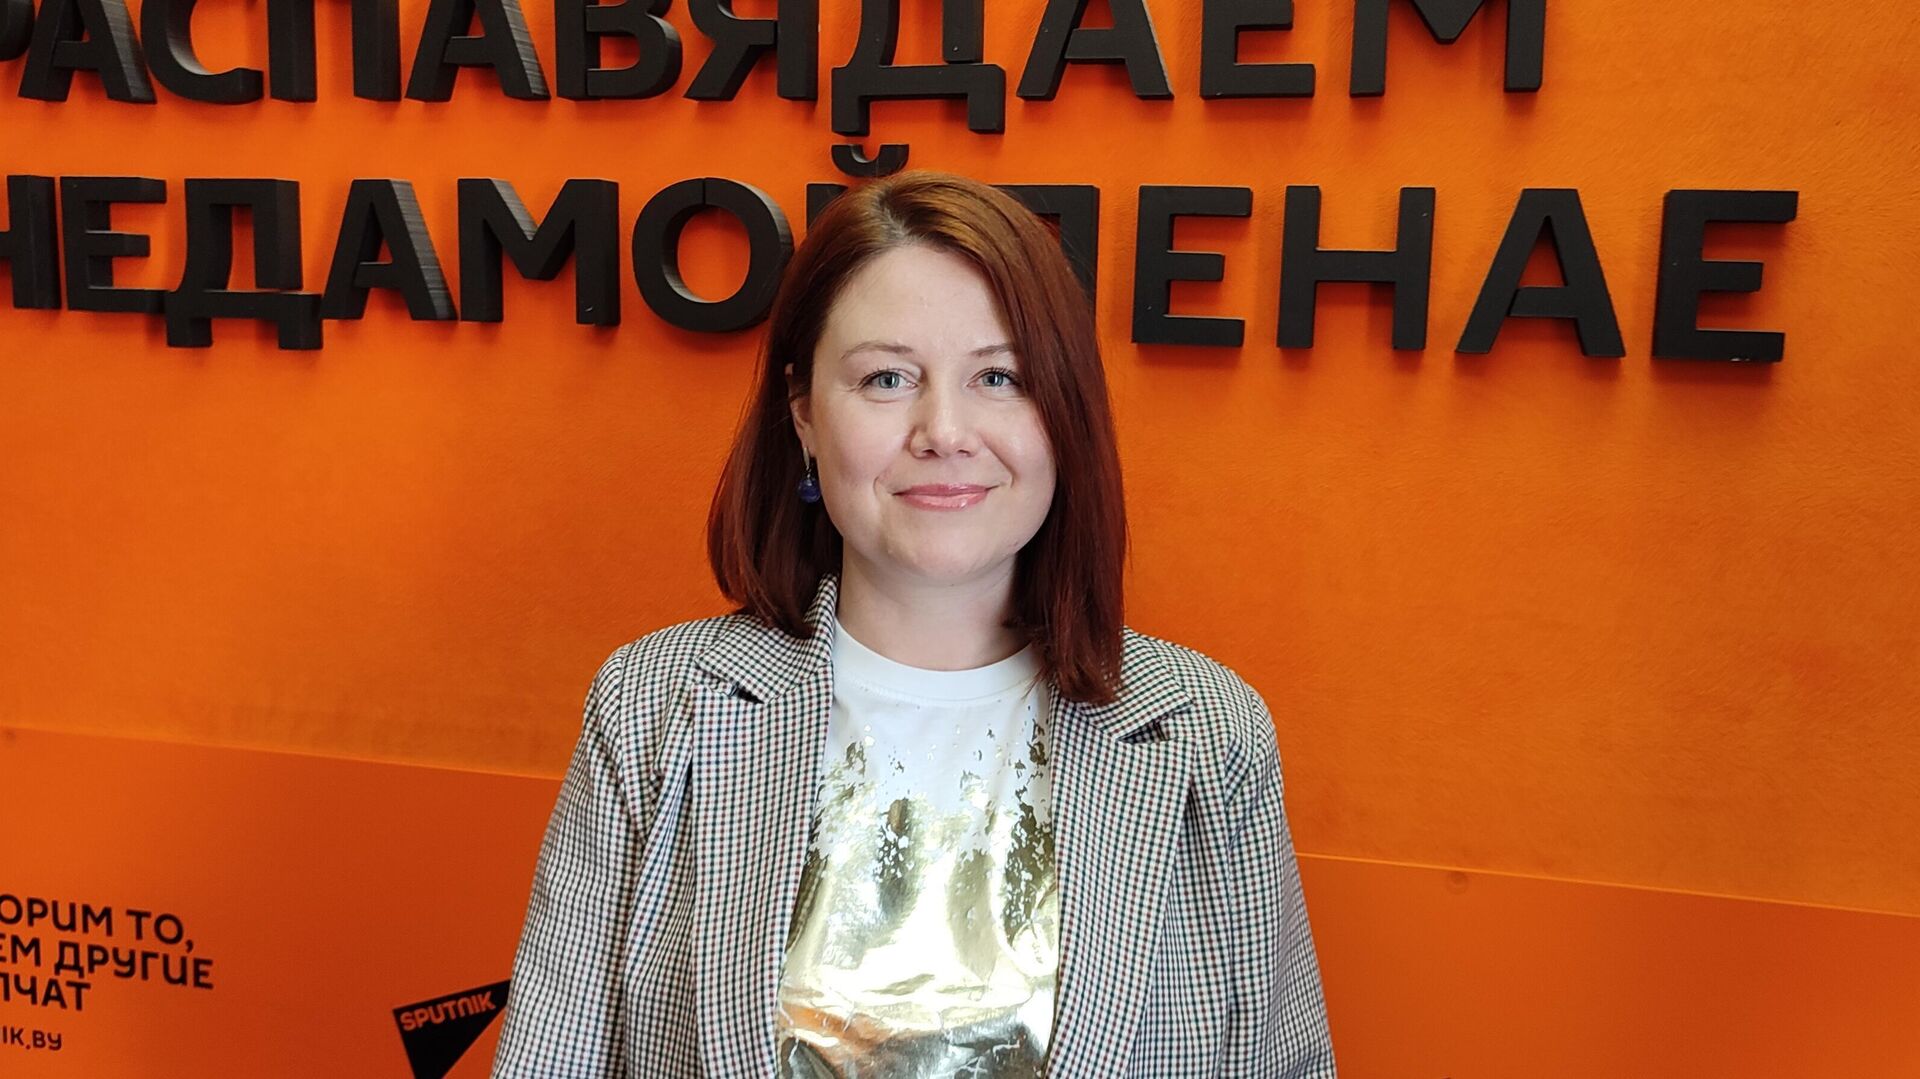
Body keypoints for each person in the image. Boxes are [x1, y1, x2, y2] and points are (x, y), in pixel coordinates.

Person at [492, 170, 1337, 1077]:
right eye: (887, 378)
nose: (944, 430)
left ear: (1064, 412)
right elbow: (550, 1056)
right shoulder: (656, 705)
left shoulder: (1208, 732)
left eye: (999, 377)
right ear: (804, 413)